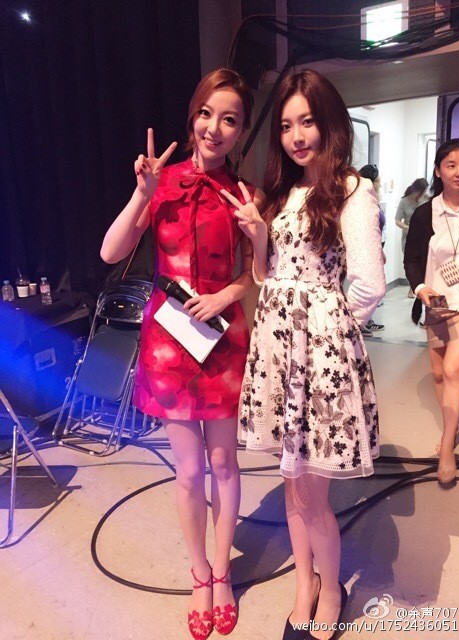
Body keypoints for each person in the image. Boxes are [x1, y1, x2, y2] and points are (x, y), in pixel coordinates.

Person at [221, 70, 385, 640]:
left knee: (312, 492)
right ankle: (304, 585)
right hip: (278, 355)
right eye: (287, 125)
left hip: (319, 360)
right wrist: (256, 236)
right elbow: (267, 278)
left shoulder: (352, 190)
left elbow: (369, 285)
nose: (296, 136)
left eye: (307, 122)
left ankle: (331, 589)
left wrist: (327, 330)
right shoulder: (282, 194)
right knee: (291, 481)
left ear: (328, 123)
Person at [101, 68, 262, 639]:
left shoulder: (245, 195)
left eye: (230, 119)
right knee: (190, 470)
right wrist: (142, 194)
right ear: (193, 115)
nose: (215, 128)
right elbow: (110, 251)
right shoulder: (161, 182)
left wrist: (227, 293)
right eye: (207, 113)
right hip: (170, 343)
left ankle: (222, 573)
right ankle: (199, 574)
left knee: (225, 464)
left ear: (241, 131)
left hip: (221, 340)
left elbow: (256, 273)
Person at [404, 138, 459, 489]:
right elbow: (412, 259)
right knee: (440, 374)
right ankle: (451, 429)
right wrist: (420, 288)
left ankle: (446, 448)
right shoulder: (425, 213)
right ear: (439, 171)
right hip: (437, 302)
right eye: (451, 165)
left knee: (455, 369)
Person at [358, 164, 386, 335]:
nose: (380, 184)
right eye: (378, 181)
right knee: (371, 286)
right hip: (366, 248)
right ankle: (358, 322)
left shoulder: (373, 198)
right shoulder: (362, 200)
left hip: (375, 246)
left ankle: (366, 320)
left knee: (375, 287)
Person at [395, 177, 429, 298]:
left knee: (423, 262)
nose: (421, 195)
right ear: (415, 189)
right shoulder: (404, 201)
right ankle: (412, 287)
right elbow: (397, 220)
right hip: (409, 237)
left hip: (424, 236)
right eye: (420, 192)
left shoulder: (426, 198)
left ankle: (419, 288)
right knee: (411, 263)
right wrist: (407, 227)